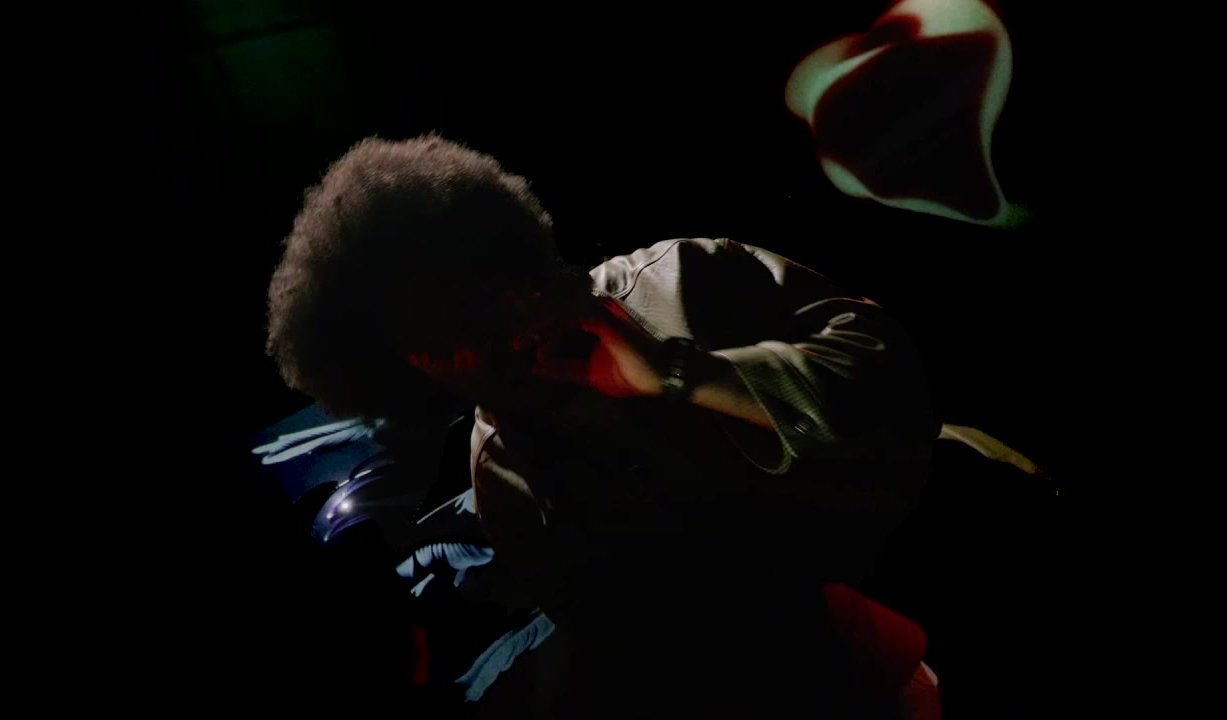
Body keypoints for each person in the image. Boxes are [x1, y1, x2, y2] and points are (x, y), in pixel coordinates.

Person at [266, 134, 942, 717]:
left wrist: (673, 372)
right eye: (429, 353)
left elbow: (891, 379)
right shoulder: (502, 474)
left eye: (467, 315)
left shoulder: (674, 281)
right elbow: (647, 647)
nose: (465, 358)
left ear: (497, 266)